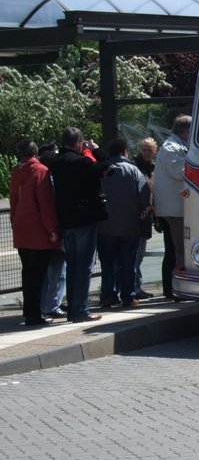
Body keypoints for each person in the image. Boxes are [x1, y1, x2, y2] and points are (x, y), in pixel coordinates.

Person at [48, 127, 112, 323]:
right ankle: (80, 310)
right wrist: (95, 149)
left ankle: (72, 308)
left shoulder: (56, 163)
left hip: (66, 219)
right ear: (78, 143)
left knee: (72, 264)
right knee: (84, 266)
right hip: (85, 218)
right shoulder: (82, 162)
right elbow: (105, 166)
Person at [10, 138, 60, 326]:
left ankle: (29, 312)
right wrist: (52, 228)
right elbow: (45, 204)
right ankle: (35, 314)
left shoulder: (17, 171)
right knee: (38, 274)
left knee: (28, 273)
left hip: (22, 228)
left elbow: (14, 201)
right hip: (38, 229)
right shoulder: (40, 171)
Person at [97, 139, 151, 308]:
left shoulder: (101, 171)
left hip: (105, 226)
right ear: (124, 152)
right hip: (130, 226)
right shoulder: (134, 171)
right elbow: (145, 196)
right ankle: (128, 296)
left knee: (107, 263)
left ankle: (107, 295)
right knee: (128, 263)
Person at [154, 115, 190, 277]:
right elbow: (180, 172)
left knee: (176, 247)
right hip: (174, 208)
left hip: (177, 206)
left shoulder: (177, 145)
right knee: (178, 249)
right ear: (185, 131)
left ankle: (172, 287)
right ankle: (173, 287)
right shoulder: (171, 147)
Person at [37, 141, 67, 320]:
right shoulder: (52, 179)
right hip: (55, 229)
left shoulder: (38, 177)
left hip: (40, 232)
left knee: (46, 272)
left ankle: (45, 304)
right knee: (58, 270)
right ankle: (52, 305)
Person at [133, 137, 157, 300]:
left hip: (148, 216)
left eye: (149, 150)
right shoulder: (135, 167)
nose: (147, 153)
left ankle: (137, 286)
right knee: (136, 255)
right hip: (137, 216)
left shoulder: (155, 168)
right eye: (144, 150)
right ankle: (135, 288)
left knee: (139, 254)